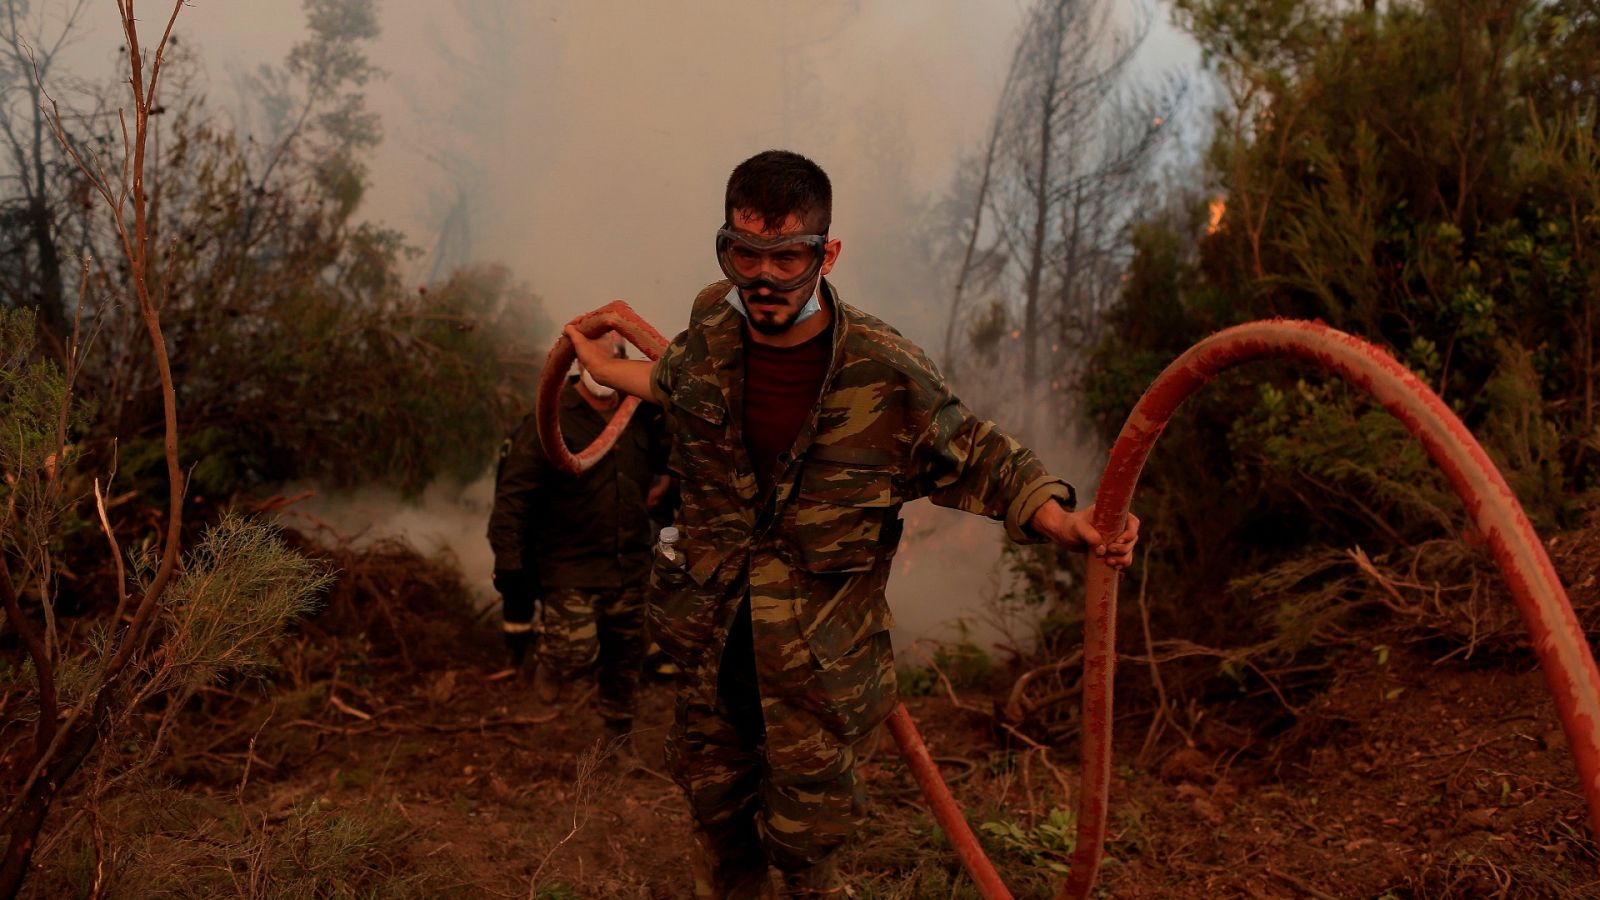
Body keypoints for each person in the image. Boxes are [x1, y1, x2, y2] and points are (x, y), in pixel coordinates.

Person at [566, 150, 1139, 897]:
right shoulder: (711, 330)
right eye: (744, 253)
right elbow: (674, 380)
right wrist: (604, 371)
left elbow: (977, 454)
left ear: (826, 254)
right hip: (711, 649)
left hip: (818, 670)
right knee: (716, 816)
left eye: (787, 257)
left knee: (805, 843)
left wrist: (1065, 521)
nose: (762, 278)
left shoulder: (883, 368)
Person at [487, 334, 672, 759]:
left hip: (630, 562)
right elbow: (514, 496)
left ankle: (618, 741)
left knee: (625, 658)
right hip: (570, 564)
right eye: (597, 355)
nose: (604, 364)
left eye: (615, 355)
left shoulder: (643, 414)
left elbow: (682, 457)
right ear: (578, 362)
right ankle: (553, 661)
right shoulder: (549, 415)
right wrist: (510, 563)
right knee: (575, 650)